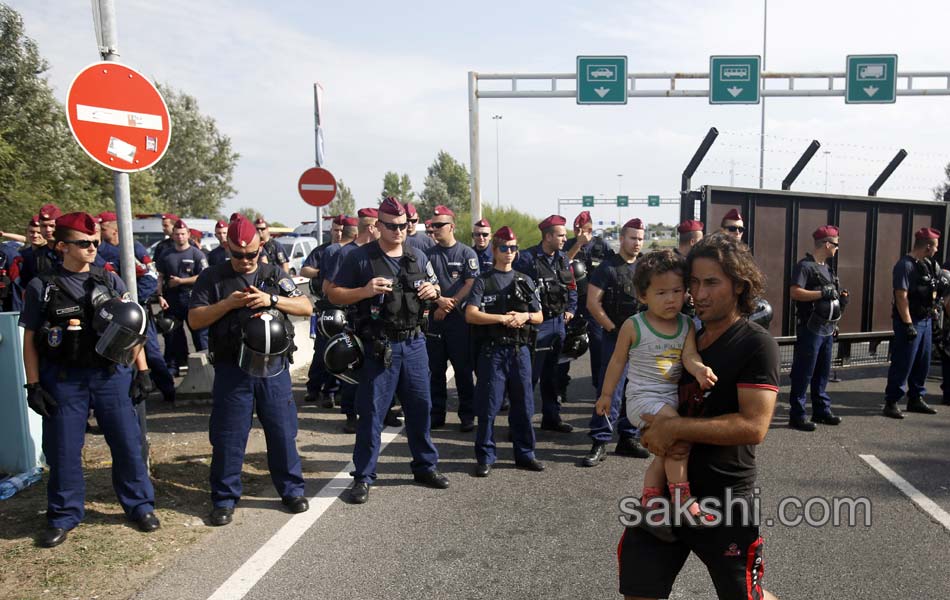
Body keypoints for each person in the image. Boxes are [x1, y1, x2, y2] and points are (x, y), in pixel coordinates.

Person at [619, 233, 779, 600]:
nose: (699, 294)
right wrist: (650, 427)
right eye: (693, 283)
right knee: (639, 591)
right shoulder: (685, 333)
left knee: (745, 597)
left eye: (711, 283)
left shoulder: (756, 344)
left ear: (739, 284)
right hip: (666, 495)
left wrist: (674, 426)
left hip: (724, 499)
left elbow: (754, 426)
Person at [19, 212, 159, 547]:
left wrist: (142, 370)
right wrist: (34, 384)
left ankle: (140, 506)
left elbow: (132, 327)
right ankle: (63, 515)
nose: (92, 248)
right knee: (64, 449)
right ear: (62, 246)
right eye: (84, 244)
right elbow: (29, 339)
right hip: (64, 378)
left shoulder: (109, 281)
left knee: (127, 443)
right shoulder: (43, 286)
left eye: (95, 242)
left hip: (110, 374)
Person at [188, 215, 312, 526]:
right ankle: (224, 498)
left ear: (261, 247)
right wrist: (227, 304)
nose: (245, 260)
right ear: (227, 247)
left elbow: (306, 307)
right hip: (234, 369)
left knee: (283, 432)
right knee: (229, 436)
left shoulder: (272, 274)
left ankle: (291, 490)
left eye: (251, 254)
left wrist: (272, 299)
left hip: (273, 368)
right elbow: (195, 320)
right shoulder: (212, 278)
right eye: (238, 254)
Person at [328, 196, 448, 504]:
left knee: (421, 408)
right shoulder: (360, 258)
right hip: (379, 346)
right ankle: (364, 477)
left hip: (415, 343)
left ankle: (425, 466)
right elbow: (334, 294)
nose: (398, 232)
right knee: (371, 414)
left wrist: (433, 292)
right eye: (391, 226)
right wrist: (364, 291)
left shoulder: (418, 256)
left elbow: (436, 290)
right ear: (378, 225)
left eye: (404, 226)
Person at [597, 249, 717, 523]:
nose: (671, 299)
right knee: (678, 434)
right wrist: (606, 395)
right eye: (661, 293)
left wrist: (699, 370)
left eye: (677, 291)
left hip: (670, 398)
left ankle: (650, 497)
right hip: (642, 398)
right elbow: (616, 362)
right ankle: (682, 498)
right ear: (643, 295)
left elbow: (689, 356)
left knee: (664, 451)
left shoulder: (686, 323)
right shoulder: (634, 325)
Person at [466, 226, 545, 475]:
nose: (509, 253)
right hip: (493, 351)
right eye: (504, 248)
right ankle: (486, 456)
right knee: (488, 407)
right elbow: (471, 314)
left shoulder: (525, 280)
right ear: (494, 249)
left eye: (513, 248)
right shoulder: (484, 281)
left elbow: (540, 316)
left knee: (524, 406)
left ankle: (525, 454)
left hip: (520, 350)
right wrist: (501, 319)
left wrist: (525, 316)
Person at [581, 219, 650, 467]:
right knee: (610, 391)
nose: (637, 243)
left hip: (642, 341)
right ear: (622, 239)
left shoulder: (645, 267)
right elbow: (593, 303)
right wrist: (614, 329)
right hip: (615, 338)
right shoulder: (607, 268)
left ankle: (628, 438)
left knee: (636, 391)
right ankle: (600, 440)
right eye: (633, 238)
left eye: (640, 238)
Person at [97, 211, 176, 403]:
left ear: (115, 229)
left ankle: (169, 392)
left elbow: (150, 278)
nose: (100, 231)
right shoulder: (100, 252)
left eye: (103, 228)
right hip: (115, 313)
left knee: (151, 351)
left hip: (136, 309)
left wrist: (132, 300)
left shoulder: (133, 249)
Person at [513, 215, 578, 433]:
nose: (564, 238)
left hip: (558, 324)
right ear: (548, 236)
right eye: (560, 235)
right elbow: (518, 290)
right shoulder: (527, 259)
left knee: (553, 375)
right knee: (528, 378)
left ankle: (551, 417)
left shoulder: (562, 259)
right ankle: (520, 425)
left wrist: (570, 309)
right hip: (536, 326)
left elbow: (571, 286)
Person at [324, 208, 380, 433]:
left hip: (373, 321)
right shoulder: (346, 253)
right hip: (351, 317)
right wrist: (361, 292)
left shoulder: (377, 253)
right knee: (352, 366)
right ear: (373, 227)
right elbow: (328, 288)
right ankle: (350, 414)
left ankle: (380, 412)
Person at [788, 225, 847, 430]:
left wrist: (839, 304)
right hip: (810, 327)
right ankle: (798, 414)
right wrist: (821, 294)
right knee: (805, 371)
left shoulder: (828, 269)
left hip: (827, 328)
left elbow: (832, 295)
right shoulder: (805, 266)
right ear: (827, 244)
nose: (837, 249)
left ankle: (821, 410)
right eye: (836, 244)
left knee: (823, 371)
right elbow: (795, 292)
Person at [425, 204, 479, 430]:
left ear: (452, 227)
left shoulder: (467, 253)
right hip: (435, 320)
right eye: (432, 226)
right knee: (435, 370)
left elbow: (471, 282)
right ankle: (437, 414)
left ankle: (467, 415)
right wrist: (439, 302)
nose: (434, 229)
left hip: (457, 321)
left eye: (439, 225)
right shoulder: (427, 255)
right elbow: (423, 283)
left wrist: (448, 305)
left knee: (463, 370)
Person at [883, 227, 941, 419]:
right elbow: (901, 296)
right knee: (903, 362)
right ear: (927, 246)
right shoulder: (905, 265)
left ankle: (916, 397)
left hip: (925, 319)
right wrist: (908, 324)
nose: (936, 250)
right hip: (911, 320)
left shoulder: (926, 264)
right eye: (935, 247)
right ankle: (892, 402)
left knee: (922, 363)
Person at [302, 216, 357, 408]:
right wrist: (320, 273)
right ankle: (319, 388)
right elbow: (307, 271)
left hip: (343, 307)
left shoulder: (345, 250)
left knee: (339, 350)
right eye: (336, 229)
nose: (339, 233)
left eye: (342, 230)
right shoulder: (328, 250)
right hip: (329, 306)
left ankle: (334, 391)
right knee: (325, 350)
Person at [560, 211, 613, 398]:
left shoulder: (601, 246)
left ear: (590, 229)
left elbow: (614, 268)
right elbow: (561, 264)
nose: (578, 232)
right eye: (575, 229)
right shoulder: (569, 245)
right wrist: (578, 244)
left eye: (582, 230)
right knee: (567, 347)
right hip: (573, 303)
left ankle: (600, 387)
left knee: (599, 347)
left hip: (596, 305)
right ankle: (560, 388)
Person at [156, 219, 209, 374]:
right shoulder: (166, 254)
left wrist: (181, 281)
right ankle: (176, 366)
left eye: (183, 234)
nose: (180, 237)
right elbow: (160, 276)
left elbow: (203, 276)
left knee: (200, 335)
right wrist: (159, 295)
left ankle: (205, 368)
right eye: (177, 234)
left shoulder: (196, 254)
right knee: (172, 335)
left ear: (188, 235)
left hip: (192, 298)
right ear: (173, 236)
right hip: (172, 299)